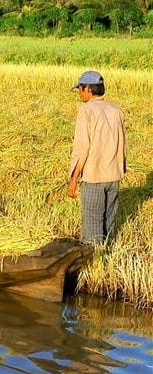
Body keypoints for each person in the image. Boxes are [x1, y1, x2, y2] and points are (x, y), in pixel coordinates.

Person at [66, 70, 127, 245]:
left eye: (80, 88)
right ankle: (107, 253)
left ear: (88, 89)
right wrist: (120, 169)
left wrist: (73, 179)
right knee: (109, 221)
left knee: (93, 224)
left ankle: (94, 257)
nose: (79, 92)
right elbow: (123, 144)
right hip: (113, 176)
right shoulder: (116, 111)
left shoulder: (86, 111)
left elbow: (82, 148)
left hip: (94, 177)